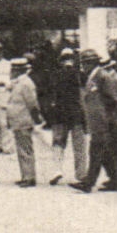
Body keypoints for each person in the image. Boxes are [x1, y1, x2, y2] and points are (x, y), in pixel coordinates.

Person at [77, 50, 117, 193]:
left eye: (85, 63)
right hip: (97, 121)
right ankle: (116, 181)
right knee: (104, 153)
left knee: (96, 150)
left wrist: (109, 118)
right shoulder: (94, 76)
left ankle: (88, 183)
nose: (83, 66)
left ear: (92, 63)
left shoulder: (102, 76)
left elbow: (113, 99)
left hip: (103, 121)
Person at [44, 47, 86, 186]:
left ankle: (57, 170)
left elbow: (50, 95)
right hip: (75, 114)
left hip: (59, 114)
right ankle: (81, 174)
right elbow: (82, 96)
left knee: (58, 143)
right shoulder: (80, 75)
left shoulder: (54, 75)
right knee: (78, 145)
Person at [3, 58, 44, 188]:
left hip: (23, 120)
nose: (11, 72)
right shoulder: (18, 83)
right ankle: (25, 175)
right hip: (17, 120)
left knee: (25, 149)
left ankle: (29, 177)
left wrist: (36, 118)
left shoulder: (26, 83)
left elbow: (32, 103)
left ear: (18, 70)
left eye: (13, 69)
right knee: (21, 149)